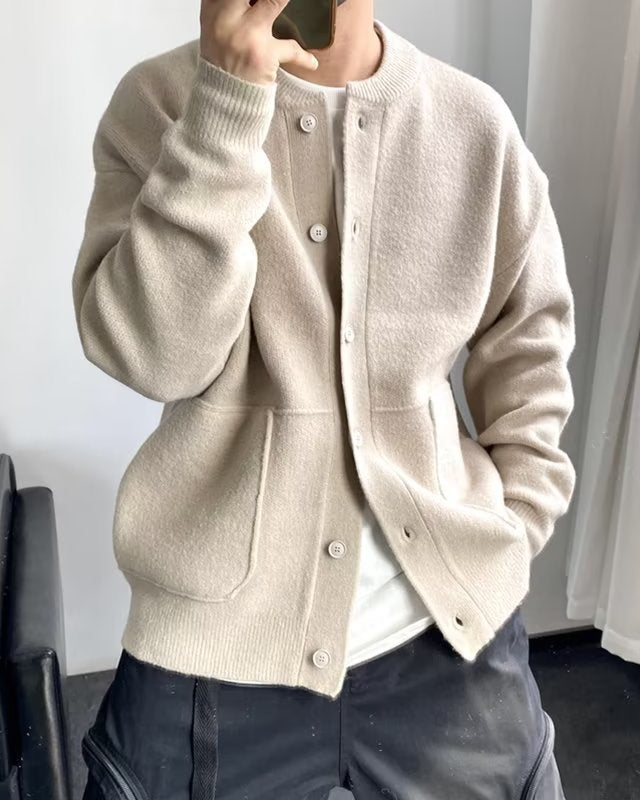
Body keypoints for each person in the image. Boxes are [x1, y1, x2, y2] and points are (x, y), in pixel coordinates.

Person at [71, 0, 575, 797]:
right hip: (215, 644)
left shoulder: (472, 121)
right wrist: (225, 109)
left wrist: (514, 523)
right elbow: (152, 355)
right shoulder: (162, 103)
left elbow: (530, 342)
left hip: (445, 625)